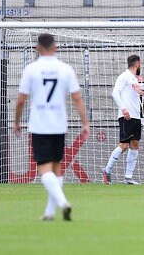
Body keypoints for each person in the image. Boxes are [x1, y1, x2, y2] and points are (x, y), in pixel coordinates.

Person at [14, 33, 90, 221]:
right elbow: (77, 98)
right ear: (55, 47)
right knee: (56, 169)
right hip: (59, 124)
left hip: (39, 125)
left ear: (37, 48)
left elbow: (21, 100)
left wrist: (16, 122)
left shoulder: (31, 69)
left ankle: (63, 202)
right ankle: (50, 212)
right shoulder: (65, 69)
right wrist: (85, 122)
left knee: (44, 170)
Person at [102, 55, 143, 185]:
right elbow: (115, 93)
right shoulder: (124, 76)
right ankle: (107, 170)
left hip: (136, 116)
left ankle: (128, 177)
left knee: (135, 144)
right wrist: (124, 109)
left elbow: (139, 96)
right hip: (126, 115)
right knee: (124, 145)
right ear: (137, 64)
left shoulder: (134, 79)